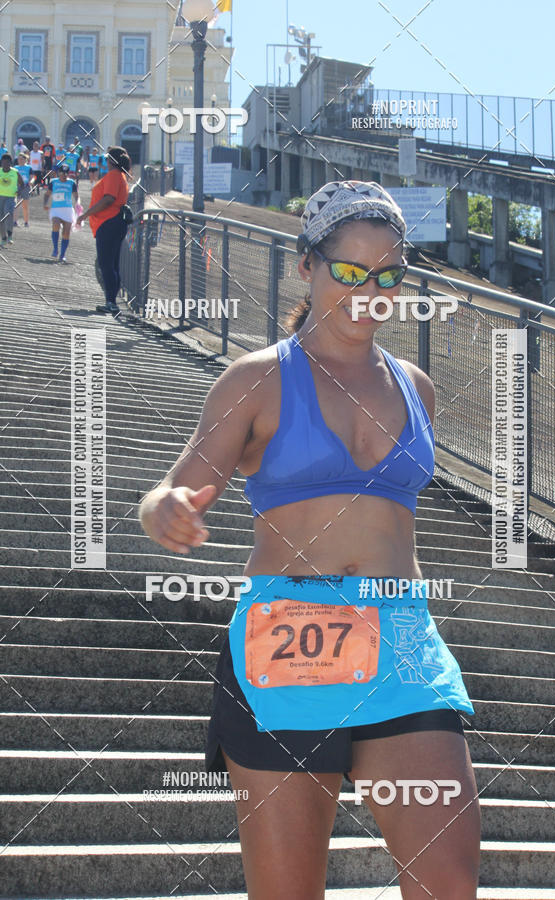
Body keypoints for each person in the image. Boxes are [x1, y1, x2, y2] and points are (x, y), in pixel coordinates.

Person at [138, 180, 481, 899]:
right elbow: (174, 485)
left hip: (401, 637)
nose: (370, 292)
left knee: (448, 883)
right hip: (289, 640)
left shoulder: (415, 385)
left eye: (388, 275)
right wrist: (165, 506)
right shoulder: (256, 379)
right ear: (307, 266)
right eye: (349, 272)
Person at [76, 146, 130, 315]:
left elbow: (108, 199)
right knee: (111, 264)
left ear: (112, 161)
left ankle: (111, 303)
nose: (105, 162)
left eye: (107, 159)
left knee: (106, 264)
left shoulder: (114, 175)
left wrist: (86, 214)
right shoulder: (119, 175)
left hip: (109, 222)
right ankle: (112, 301)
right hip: (113, 222)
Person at [43, 163, 77, 262]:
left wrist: (78, 203)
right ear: (58, 172)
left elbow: (76, 196)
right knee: (56, 224)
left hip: (67, 209)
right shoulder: (53, 182)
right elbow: (47, 194)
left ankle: (62, 255)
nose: (64, 174)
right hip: (56, 209)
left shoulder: (72, 183)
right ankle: (55, 248)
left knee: (66, 233)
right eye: (62, 172)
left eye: (66, 173)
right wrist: (45, 203)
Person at [0, 154, 24, 248]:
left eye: (8, 162)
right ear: (1, 163)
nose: (6, 164)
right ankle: (4, 238)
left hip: (10, 197)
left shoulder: (15, 172)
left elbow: (22, 184)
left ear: (10, 163)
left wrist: (19, 190)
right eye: (4, 162)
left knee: (8, 214)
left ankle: (9, 235)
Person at [14, 152, 33, 227]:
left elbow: (32, 177)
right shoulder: (15, 168)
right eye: (19, 159)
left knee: (25, 206)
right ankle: (15, 221)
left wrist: (31, 182)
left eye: (22, 159)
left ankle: (26, 222)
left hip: (25, 187)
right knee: (16, 205)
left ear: (25, 160)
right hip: (17, 187)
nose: (20, 160)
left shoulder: (29, 168)